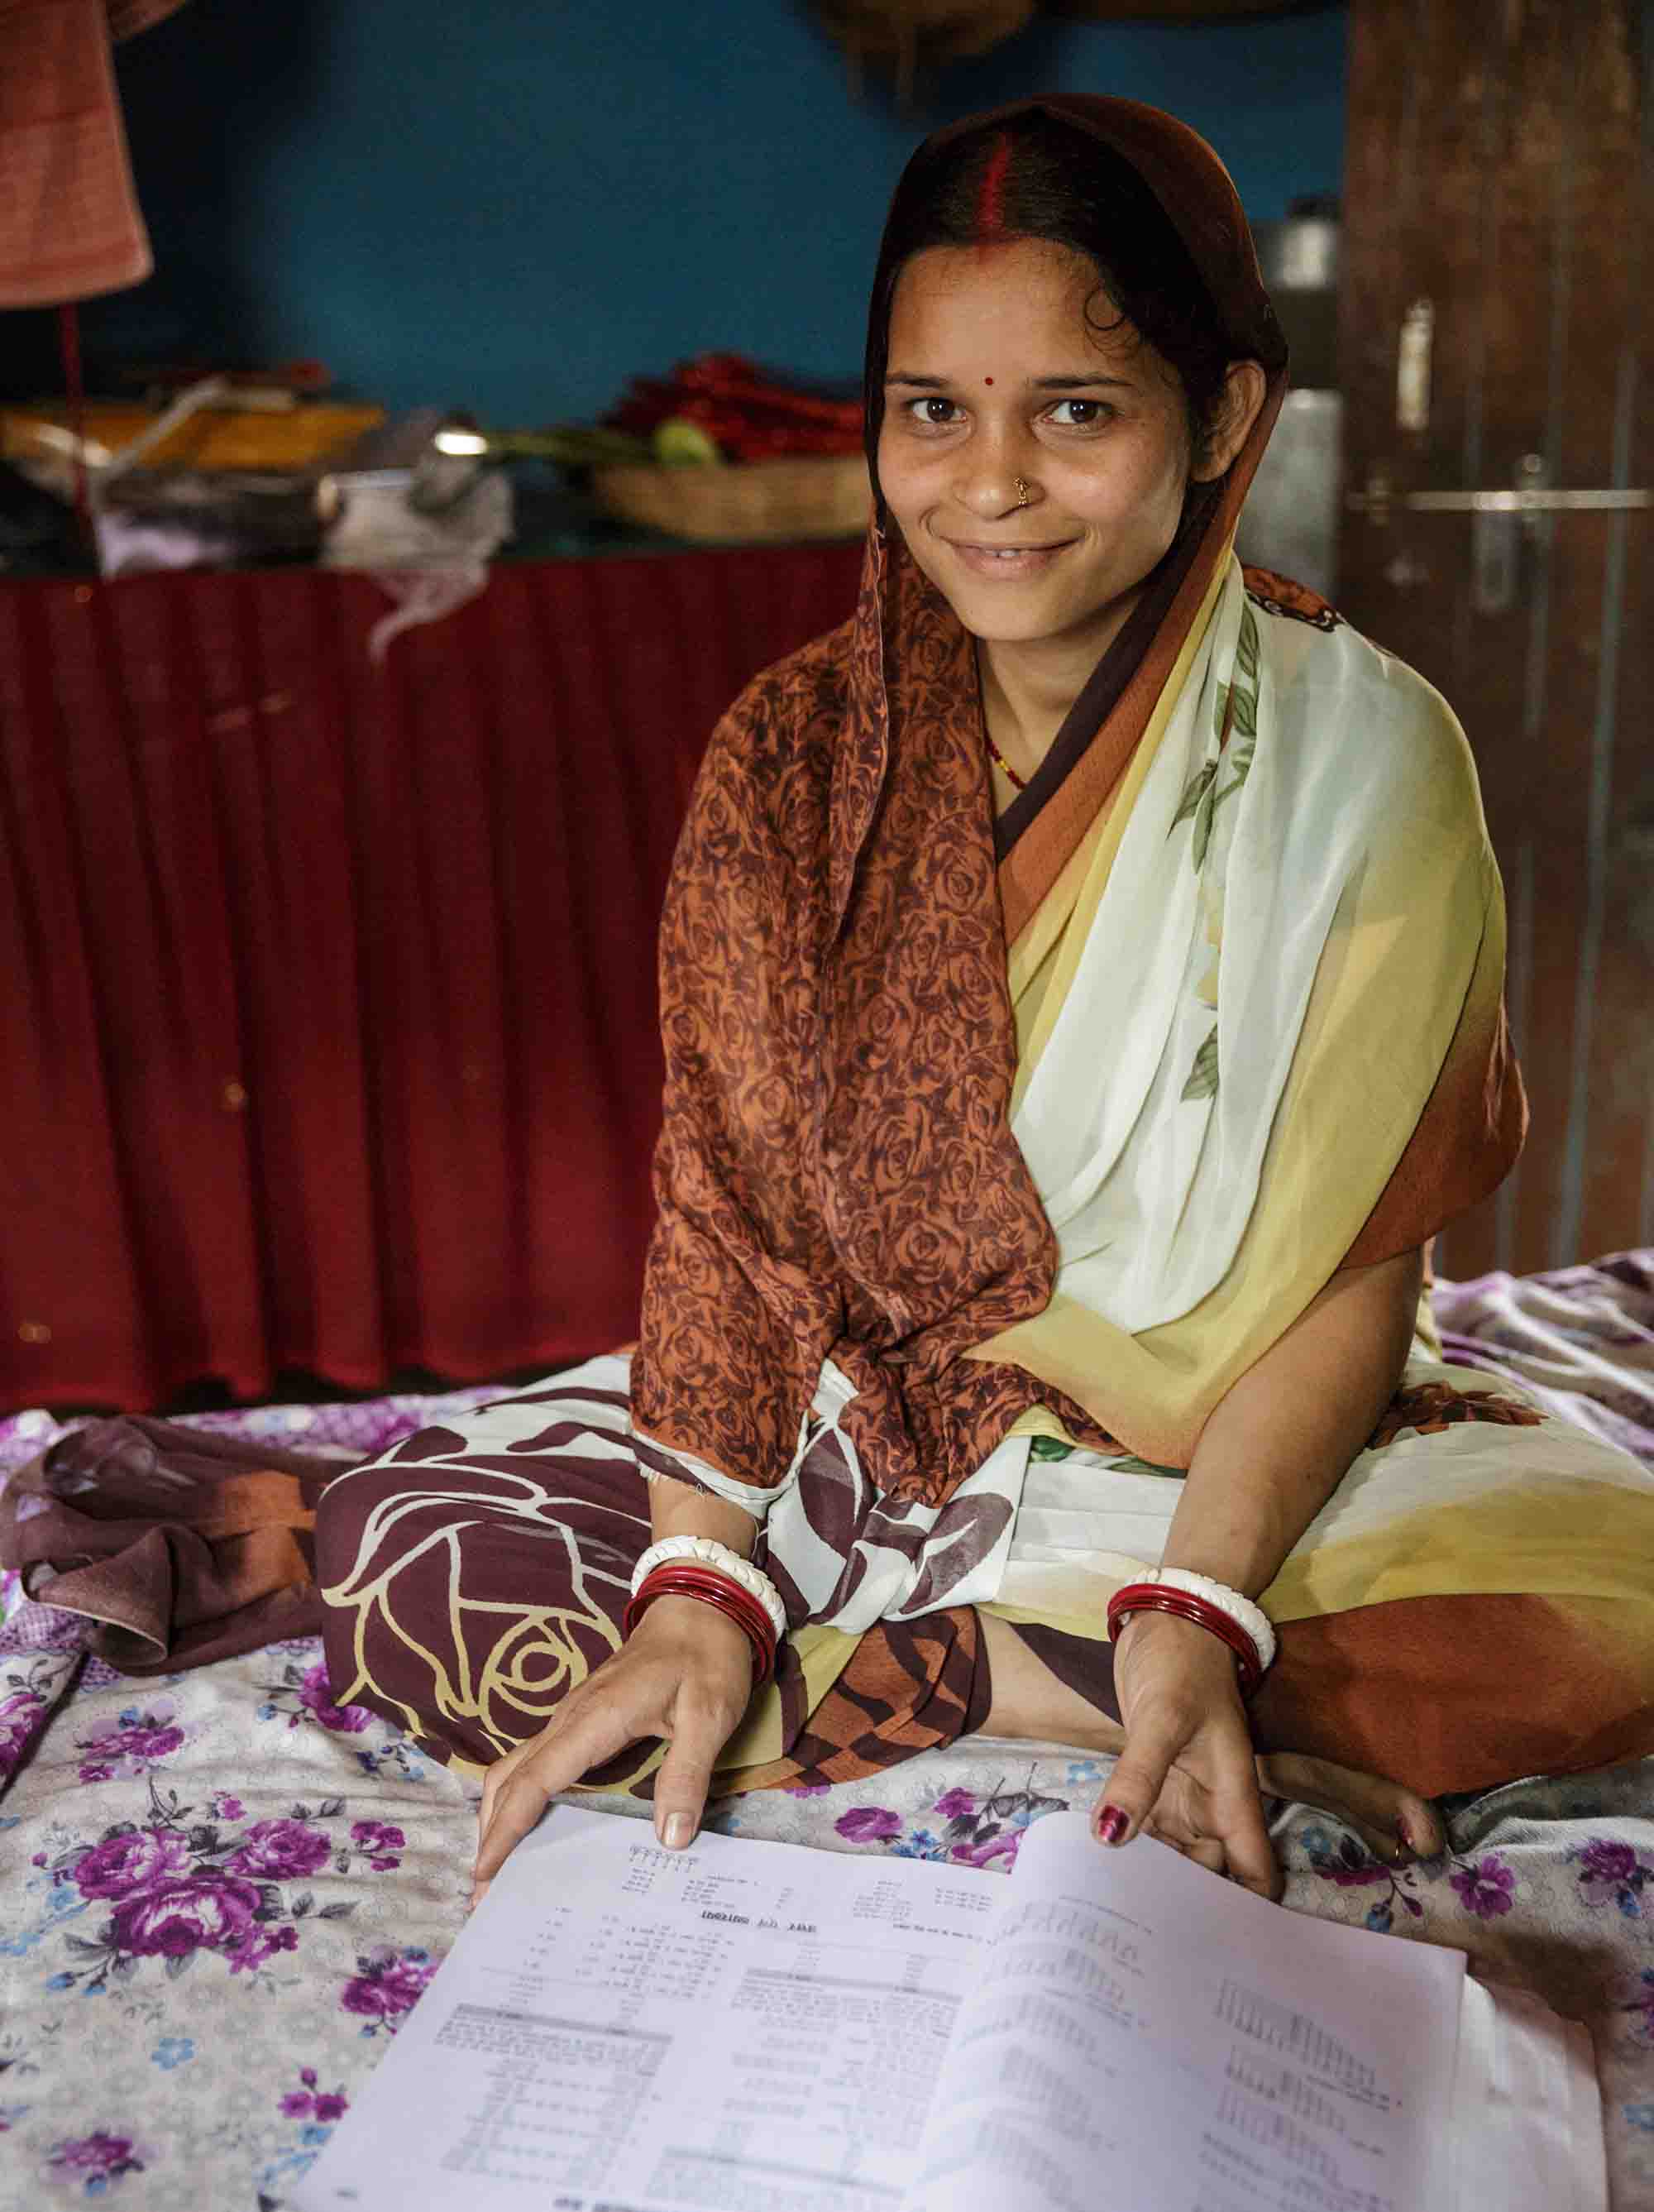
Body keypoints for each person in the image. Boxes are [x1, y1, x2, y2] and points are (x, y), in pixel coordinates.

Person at [309, 96, 1654, 1909]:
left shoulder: (1364, 761)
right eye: (931, 410)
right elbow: (725, 1215)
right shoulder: (793, 756)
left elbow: (1351, 1271)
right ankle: (1042, 1671)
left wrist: (1194, 1596)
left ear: (1225, 419)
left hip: (1213, 1452)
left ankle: (1095, 1663)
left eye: (1076, 411)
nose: (990, 483)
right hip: (857, 1434)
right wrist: (703, 1582)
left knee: (1605, 1619)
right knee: (405, 1541)